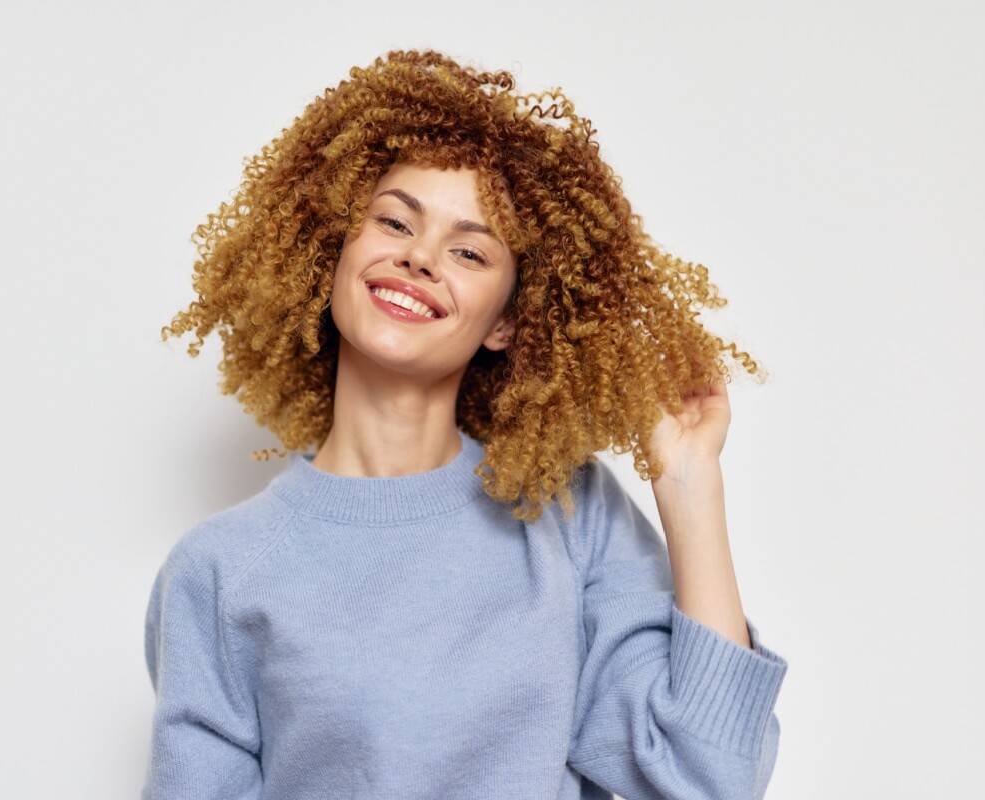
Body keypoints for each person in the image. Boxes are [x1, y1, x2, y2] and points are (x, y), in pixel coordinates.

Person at [144, 50, 787, 799]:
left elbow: (710, 780)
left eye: (470, 252)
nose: (419, 258)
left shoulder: (568, 515)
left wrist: (688, 480)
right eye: (394, 221)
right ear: (334, 250)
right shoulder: (218, 571)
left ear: (508, 322)